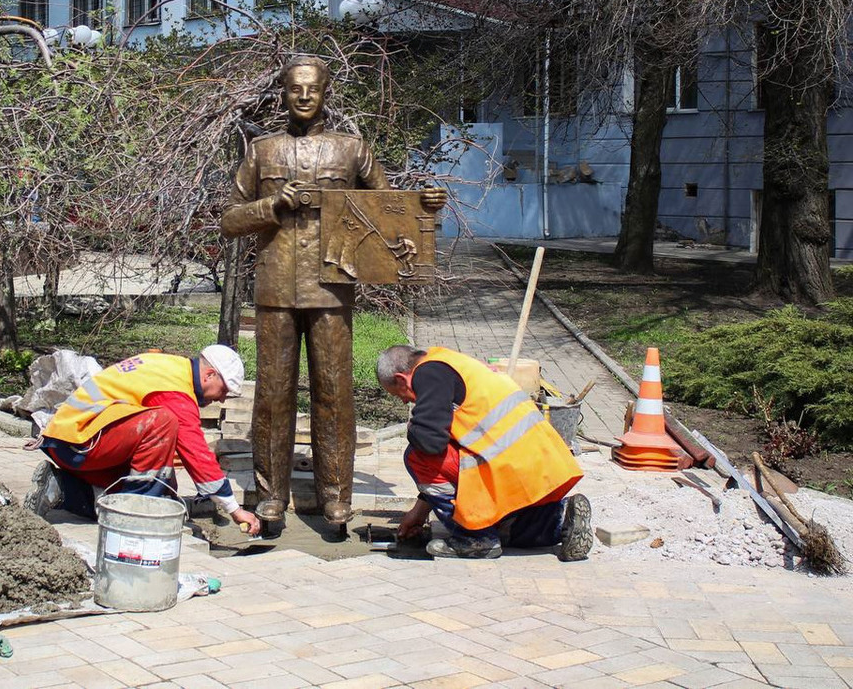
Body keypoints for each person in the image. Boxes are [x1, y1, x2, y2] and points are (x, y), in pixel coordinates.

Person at [220, 55, 446, 529]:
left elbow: (392, 210)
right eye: (295, 89)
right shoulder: (262, 151)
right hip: (276, 289)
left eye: (313, 89)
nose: (304, 97)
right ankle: (271, 496)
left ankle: (335, 495)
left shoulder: (351, 150)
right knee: (274, 396)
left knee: (334, 394)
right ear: (282, 93)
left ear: (326, 93)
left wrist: (425, 205)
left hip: (333, 288)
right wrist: (273, 204)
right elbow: (230, 220)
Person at [376, 344, 593, 560]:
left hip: (508, 468)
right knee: (505, 527)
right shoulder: (449, 361)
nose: (405, 400)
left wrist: (413, 427)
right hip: (543, 467)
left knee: (416, 456)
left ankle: (474, 538)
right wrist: (419, 511)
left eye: (398, 395)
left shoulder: (429, 373)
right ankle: (561, 518)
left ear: (401, 378)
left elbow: (430, 443)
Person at [25, 344, 261, 535]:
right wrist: (233, 508)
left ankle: (60, 488)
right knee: (163, 423)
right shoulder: (175, 389)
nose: (221, 400)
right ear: (210, 375)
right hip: (81, 440)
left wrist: (167, 495)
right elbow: (195, 452)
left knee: (148, 491)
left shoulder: (168, 366)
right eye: (224, 391)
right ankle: (138, 516)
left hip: (74, 438)